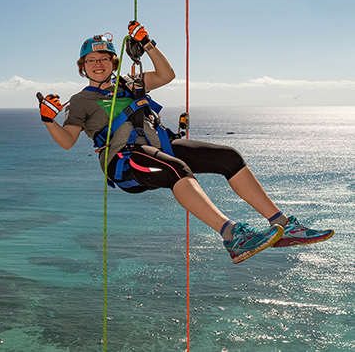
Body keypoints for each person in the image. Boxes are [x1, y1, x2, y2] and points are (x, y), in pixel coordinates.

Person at [37, 21, 333, 264]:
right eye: (91, 60)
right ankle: (233, 235)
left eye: (104, 59)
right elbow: (67, 141)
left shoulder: (131, 82)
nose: (98, 64)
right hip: (125, 162)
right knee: (176, 168)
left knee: (228, 157)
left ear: (114, 62)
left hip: (158, 147)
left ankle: (283, 224)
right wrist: (49, 120)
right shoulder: (81, 101)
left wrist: (148, 44)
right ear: (83, 67)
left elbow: (167, 75)